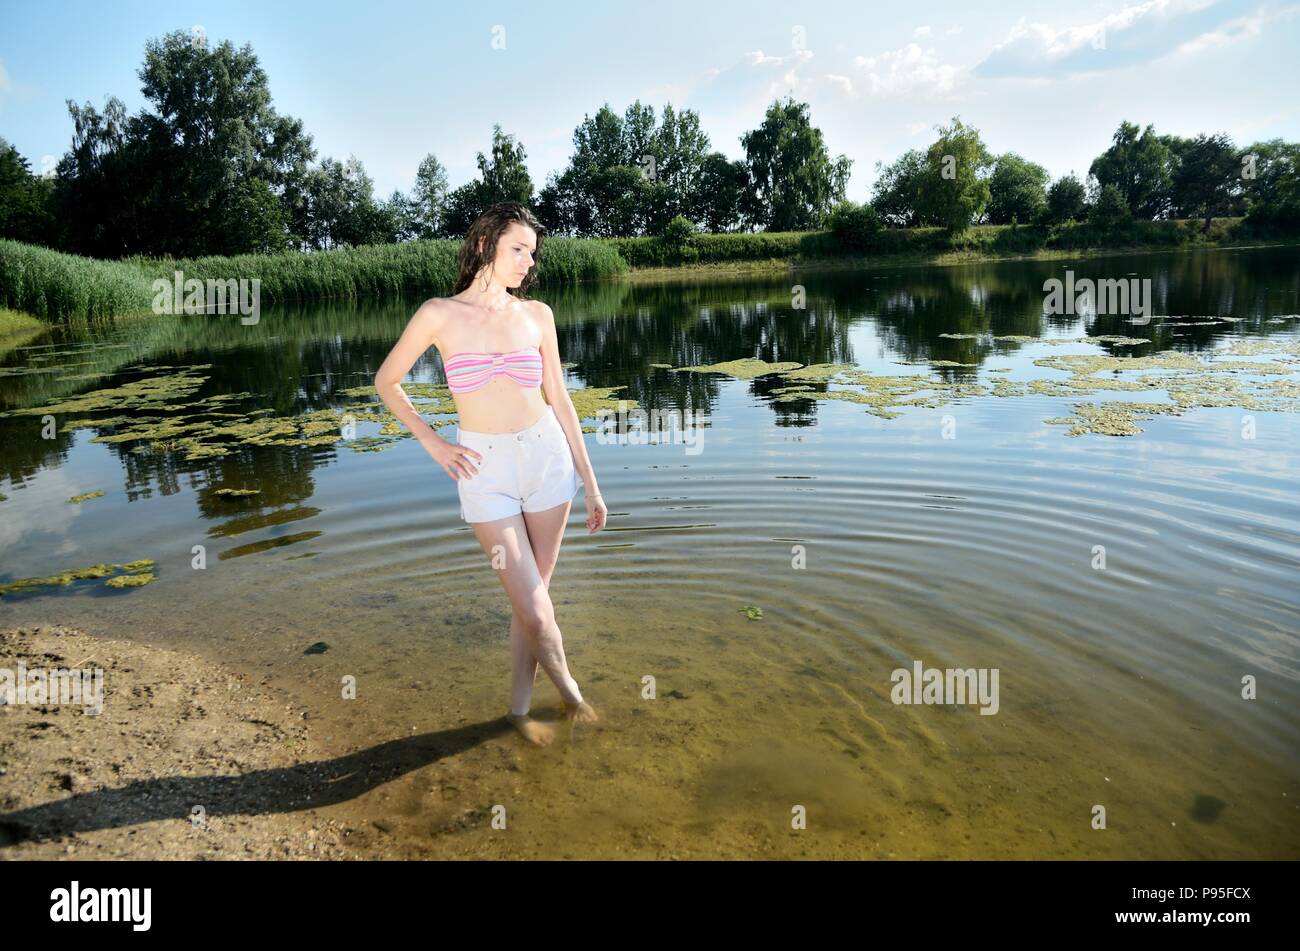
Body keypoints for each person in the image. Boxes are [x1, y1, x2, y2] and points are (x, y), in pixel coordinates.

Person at [374, 201, 607, 746]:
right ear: (485, 246)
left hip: (546, 460)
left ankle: (519, 711)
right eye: (518, 249)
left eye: (532, 252)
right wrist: (433, 442)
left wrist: (590, 482)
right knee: (531, 604)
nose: (530, 261)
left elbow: (561, 400)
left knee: (536, 599)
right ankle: (573, 698)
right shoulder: (438, 314)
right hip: (483, 468)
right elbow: (387, 381)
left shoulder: (537, 315)